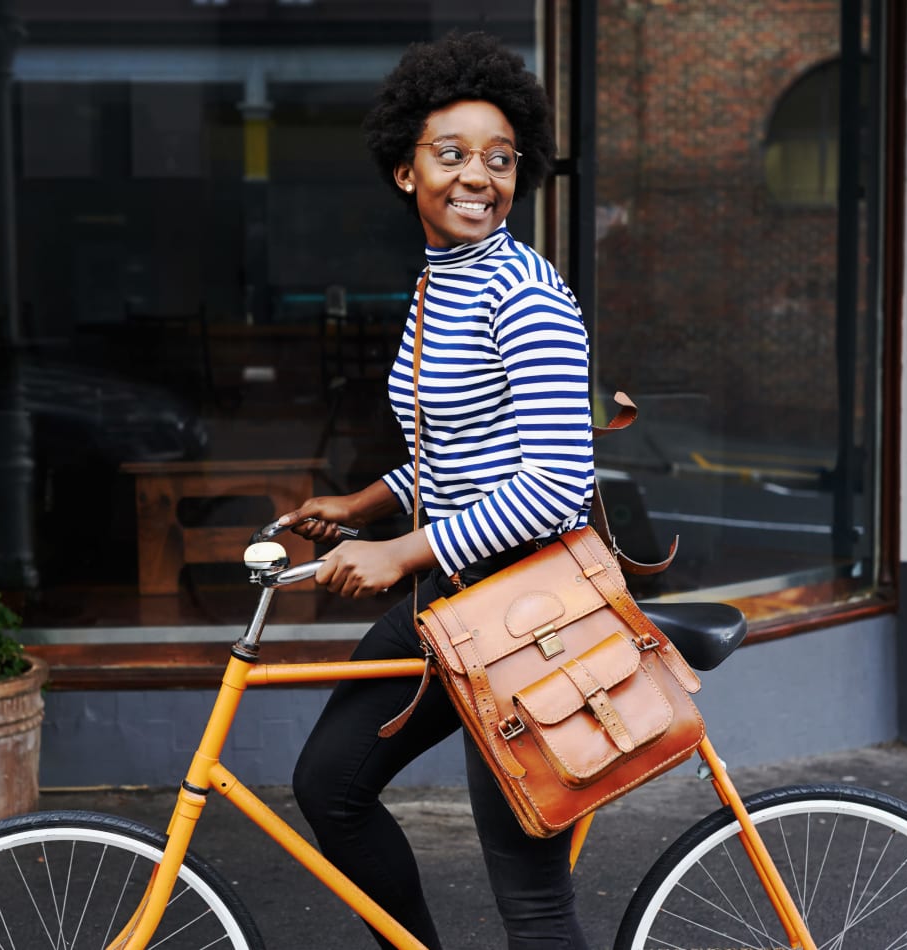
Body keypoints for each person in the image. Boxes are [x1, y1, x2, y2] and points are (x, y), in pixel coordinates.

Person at [282, 31, 594, 950]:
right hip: (446, 595)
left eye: (499, 159)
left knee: (532, 899)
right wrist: (363, 505)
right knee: (329, 788)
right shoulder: (440, 286)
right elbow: (464, 451)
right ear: (403, 172)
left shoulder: (523, 293)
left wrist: (397, 551)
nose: (477, 177)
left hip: (526, 614)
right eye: (451, 154)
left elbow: (553, 487)